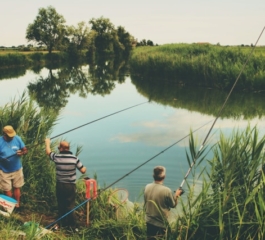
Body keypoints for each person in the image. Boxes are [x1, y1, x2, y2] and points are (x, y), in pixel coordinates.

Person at [45, 138, 86, 231]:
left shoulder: (57, 157)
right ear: (68, 148)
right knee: (70, 205)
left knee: (61, 204)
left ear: (61, 148)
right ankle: (72, 226)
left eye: (59, 147)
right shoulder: (74, 158)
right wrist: (84, 168)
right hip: (70, 186)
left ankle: (61, 223)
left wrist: (47, 143)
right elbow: (83, 171)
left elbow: (48, 152)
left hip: (60, 185)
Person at [144, 166, 183, 239]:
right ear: (164, 177)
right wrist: (176, 196)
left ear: (153, 176)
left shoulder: (147, 187)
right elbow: (173, 205)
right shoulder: (166, 190)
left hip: (149, 221)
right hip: (160, 223)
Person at [0, 125, 28, 208]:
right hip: (4, 170)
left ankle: (17, 204)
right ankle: (9, 206)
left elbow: (25, 150)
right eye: (9, 136)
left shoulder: (17, 138)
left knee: (17, 187)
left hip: (17, 169)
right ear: (4, 134)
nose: (12, 137)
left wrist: (22, 153)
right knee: (7, 189)